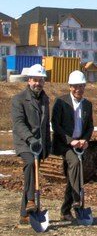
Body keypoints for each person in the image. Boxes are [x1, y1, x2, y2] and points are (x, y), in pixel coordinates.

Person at [51, 70, 94, 221]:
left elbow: (90, 126)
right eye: (75, 86)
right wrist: (71, 141)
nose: (78, 89)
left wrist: (84, 140)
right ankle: (77, 199)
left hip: (79, 144)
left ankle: (65, 210)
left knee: (74, 175)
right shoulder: (61, 102)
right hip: (65, 144)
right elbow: (56, 125)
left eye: (81, 86)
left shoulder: (87, 104)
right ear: (70, 87)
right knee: (75, 164)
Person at [11, 64, 51, 225]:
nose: (38, 83)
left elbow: (46, 124)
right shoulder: (19, 99)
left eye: (41, 80)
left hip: (39, 144)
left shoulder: (45, 99)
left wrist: (47, 144)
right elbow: (18, 123)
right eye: (35, 80)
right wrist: (30, 139)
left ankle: (25, 214)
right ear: (29, 80)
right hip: (25, 142)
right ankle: (31, 200)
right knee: (29, 165)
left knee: (32, 175)